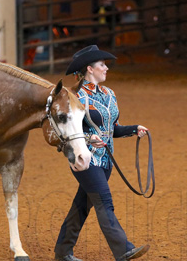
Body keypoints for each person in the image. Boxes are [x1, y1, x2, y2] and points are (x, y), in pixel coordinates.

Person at [54, 45, 149, 261]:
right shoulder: (74, 97)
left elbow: (112, 129)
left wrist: (134, 129)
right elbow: (66, 131)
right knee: (104, 201)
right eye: (102, 65)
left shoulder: (109, 94)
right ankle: (123, 249)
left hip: (106, 161)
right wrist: (88, 139)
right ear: (90, 69)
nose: (106, 68)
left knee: (82, 206)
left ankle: (62, 252)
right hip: (84, 160)